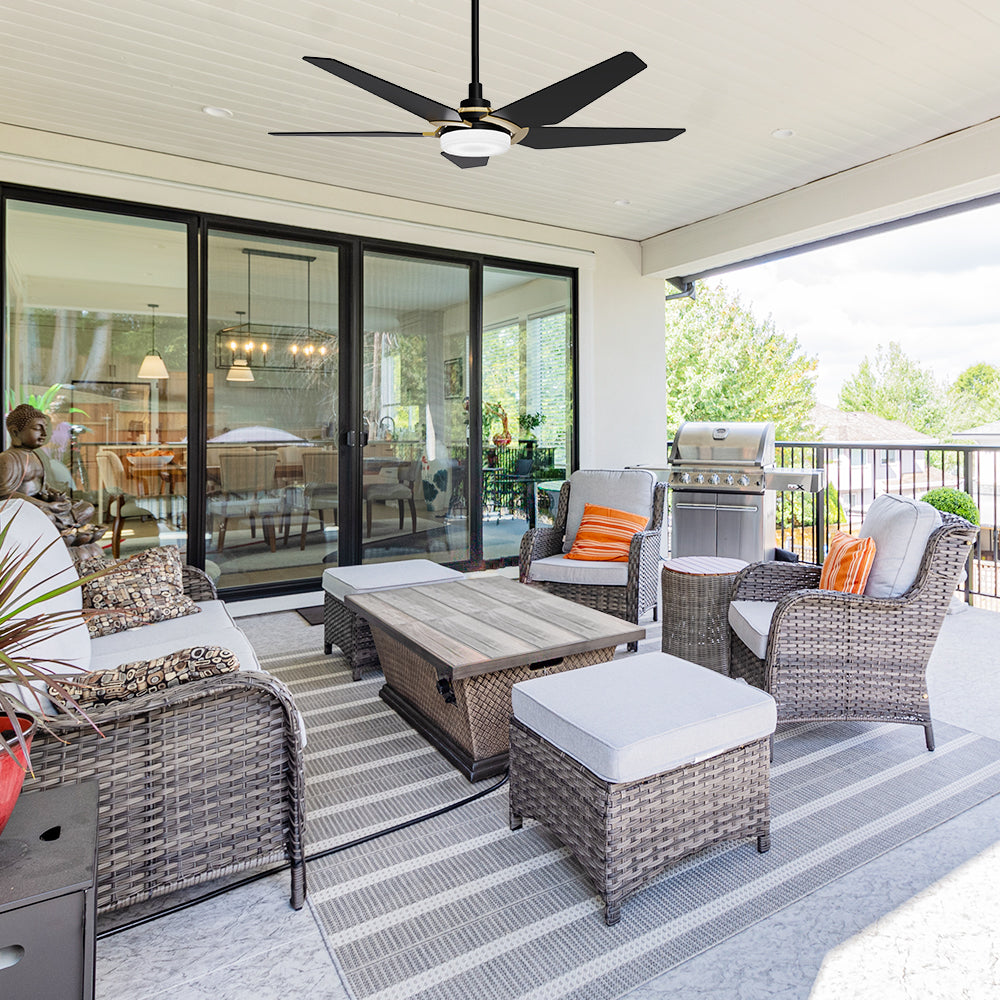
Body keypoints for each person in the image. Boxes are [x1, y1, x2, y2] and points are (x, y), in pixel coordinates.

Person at [0, 404, 106, 546]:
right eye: (37, 429)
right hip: (25, 508)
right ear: (15, 432)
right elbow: (5, 494)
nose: (44, 434)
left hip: (44, 505)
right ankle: (64, 533)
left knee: (87, 508)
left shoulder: (36, 456)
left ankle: (65, 531)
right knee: (46, 517)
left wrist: (54, 495)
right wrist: (45, 505)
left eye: (45, 428)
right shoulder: (7, 458)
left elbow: (42, 486)